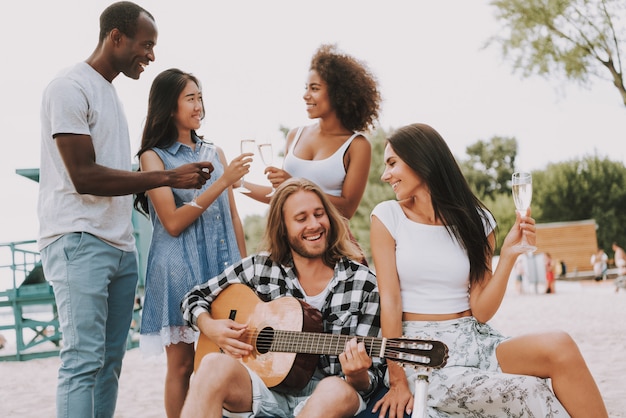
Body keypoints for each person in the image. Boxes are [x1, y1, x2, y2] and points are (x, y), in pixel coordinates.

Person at [37, 3, 212, 417]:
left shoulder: (110, 94)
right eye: (145, 44)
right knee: (82, 361)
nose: (151, 55)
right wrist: (167, 179)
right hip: (78, 240)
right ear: (116, 37)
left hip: (119, 246)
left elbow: (116, 177)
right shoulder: (68, 86)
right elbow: (84, 176)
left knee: (110, 364)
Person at [369, 123, 607, 417]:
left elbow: (480, 310)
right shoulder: (387, 216)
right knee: (528, 389)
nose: (385, 174)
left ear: (422, 159)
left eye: (392, 163)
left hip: (476, 339)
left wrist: (507, 257)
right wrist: (396, 381)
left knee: (560, 346)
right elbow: (390, 303)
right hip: (423, 354)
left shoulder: (478, 220)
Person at [180, 178, 383, 418]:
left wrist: (358, 375)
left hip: (329, 393)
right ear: (283, 229)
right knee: (211, 365)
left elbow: (372, 378)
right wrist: (210, 326)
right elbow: (193, 297)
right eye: (301, 218)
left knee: (334, 390)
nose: (314, 224)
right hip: (264, 388)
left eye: (319, 214)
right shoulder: (259, 268)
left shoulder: (364, 283)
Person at [133, 68, 250, 417]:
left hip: (221, 265)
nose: (198, 105)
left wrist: (246, 271)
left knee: (224, 356)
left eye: (200, 96)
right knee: (182, 366)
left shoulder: (215, 151)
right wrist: (222, 181)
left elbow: (232, 217)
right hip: (178, 266)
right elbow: (171, 222)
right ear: (170, 106)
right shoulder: (152, 157)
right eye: (190, 98)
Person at [241, 44, 382, 261]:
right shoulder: (295, 136)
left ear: (338, 93)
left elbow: (347, 210)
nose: (305, 96)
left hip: (334, 249)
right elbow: (279, 197)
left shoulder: (357, 145)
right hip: (293, 247)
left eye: (314, 88)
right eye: (306, 87)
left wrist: (295, 182)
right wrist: (235, 184)